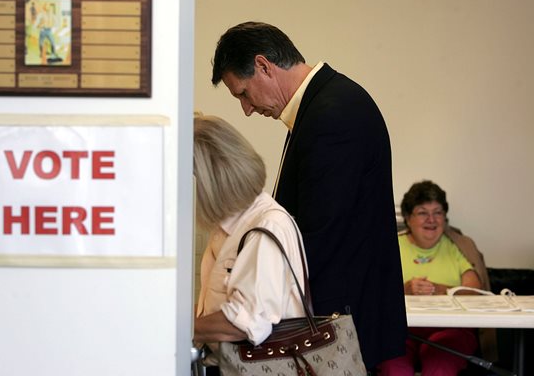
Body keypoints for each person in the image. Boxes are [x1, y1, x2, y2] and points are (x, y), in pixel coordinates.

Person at [211, 21, 406, 370]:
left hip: (336, 327)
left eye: (242, 93)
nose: (247, 109)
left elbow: (319, 235)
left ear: (263, 66)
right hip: (338, 318)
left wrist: (259, 287)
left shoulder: (331, 114)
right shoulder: (325, 103)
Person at [192, 114, 307, 375]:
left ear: (209, 182)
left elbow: (244, 323)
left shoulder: (265, 227)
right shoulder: (230, 225)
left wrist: (178, 326)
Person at [379, 180, 482, 376]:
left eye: (438, 212)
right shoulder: (390, 246)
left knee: (439, 362)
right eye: (422, 212)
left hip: (451, 330)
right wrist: (405, 289)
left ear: (445, 218)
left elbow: (475, 289)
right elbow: (374, 289)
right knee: (395, 368)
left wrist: (440, 290)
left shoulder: (458, 246)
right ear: (408, 218)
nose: (431, 219)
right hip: (400, 330)